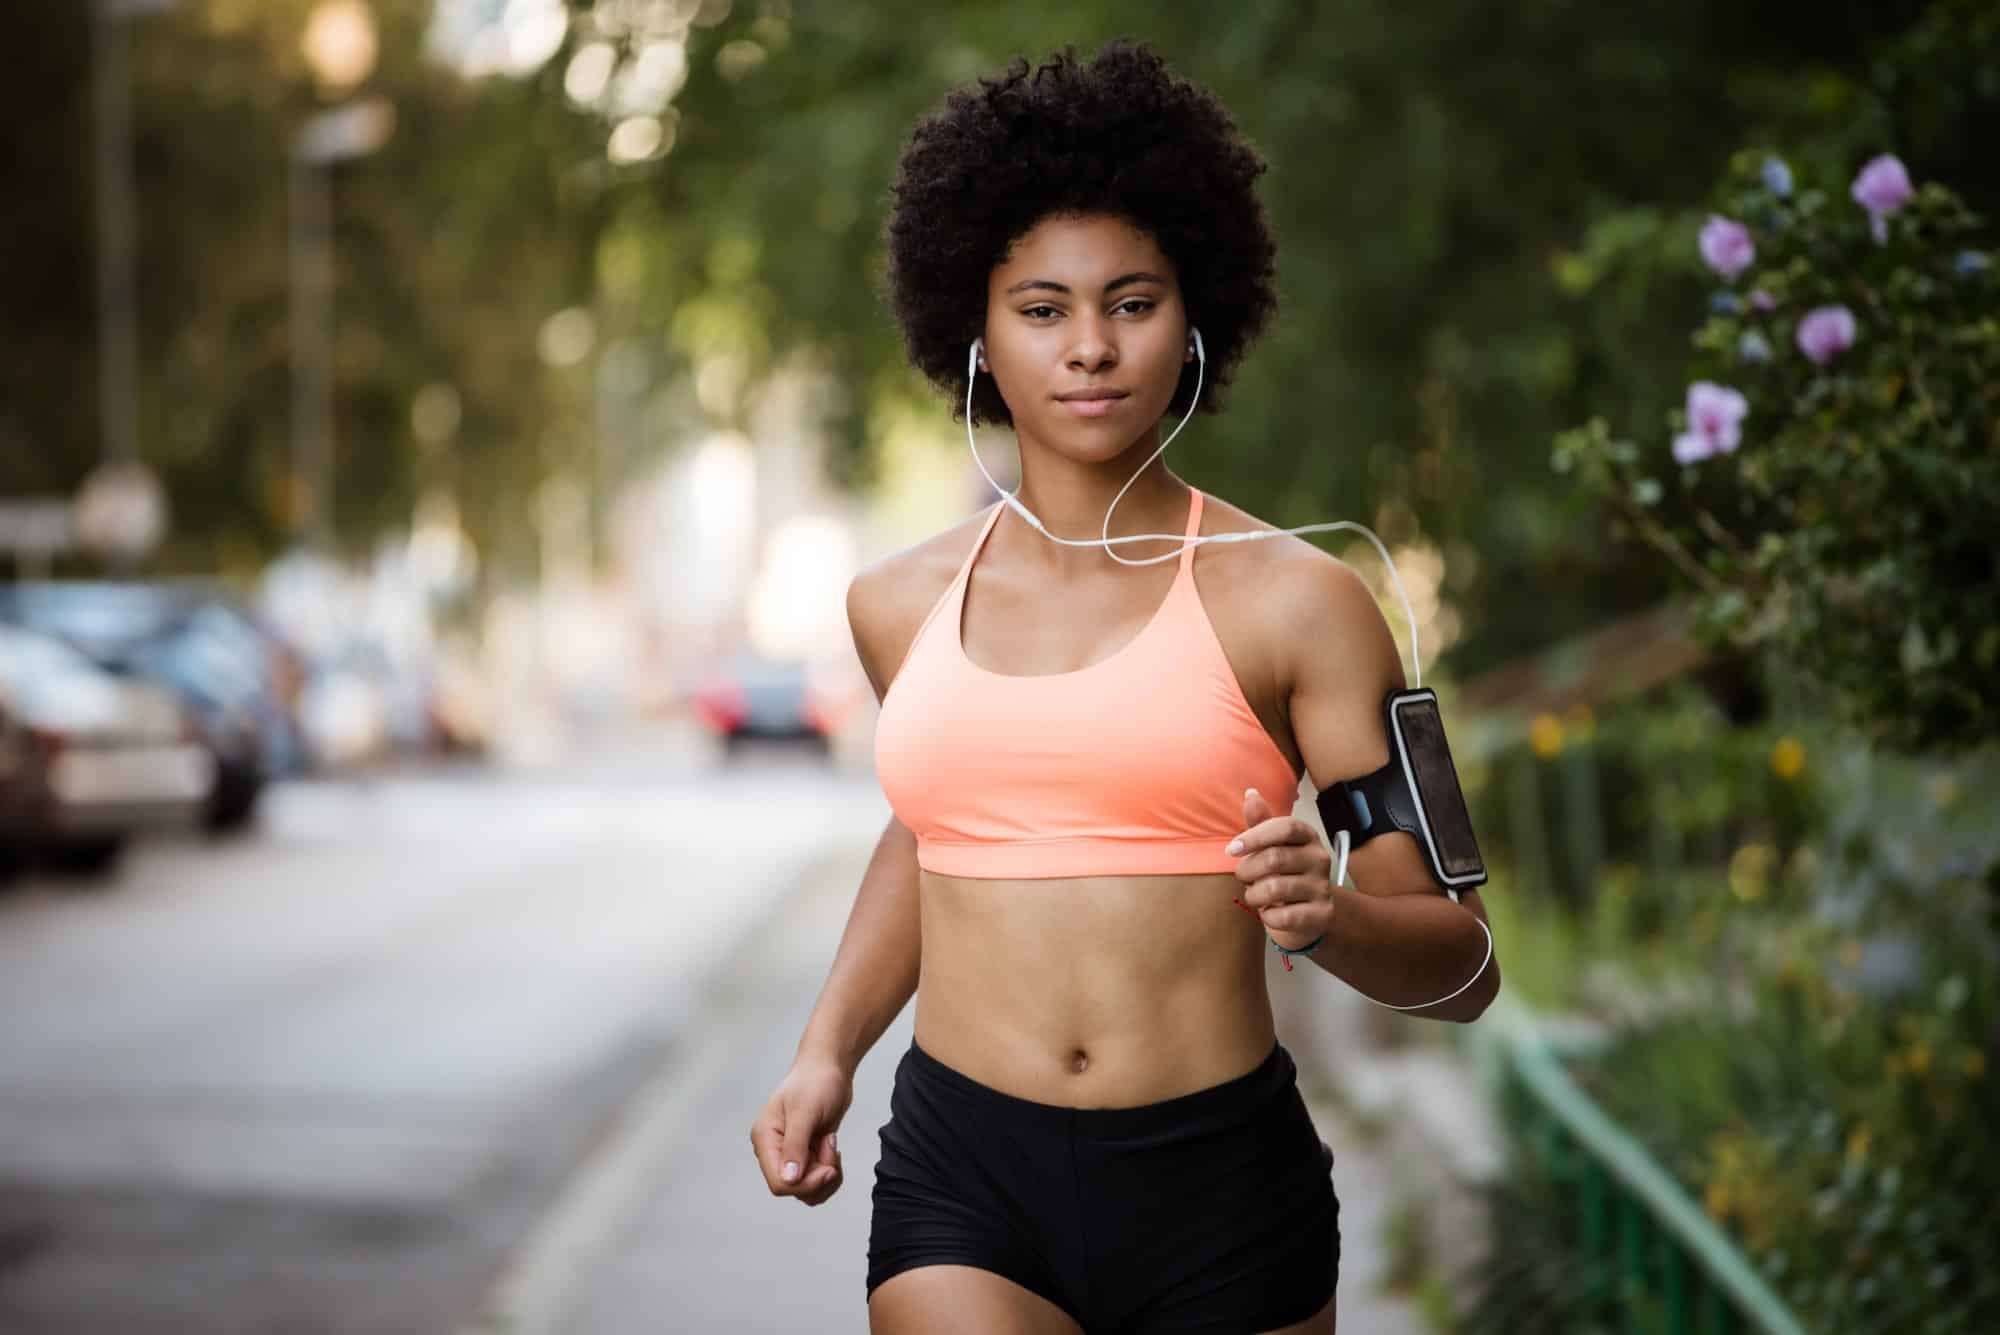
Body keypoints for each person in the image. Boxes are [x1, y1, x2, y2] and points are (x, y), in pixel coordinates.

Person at [749, 39, 1502, 1334]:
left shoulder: (1305, 603)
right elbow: (937, 835)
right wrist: (828, 1050)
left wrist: (1327, 917)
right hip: (963, 1176)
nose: (1090, 348)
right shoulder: (896, 604)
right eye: (1042, 309)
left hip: (1221, 1190)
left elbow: (1465, 966)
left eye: (1132, 303)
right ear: (976, 331)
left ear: (1195, 317)